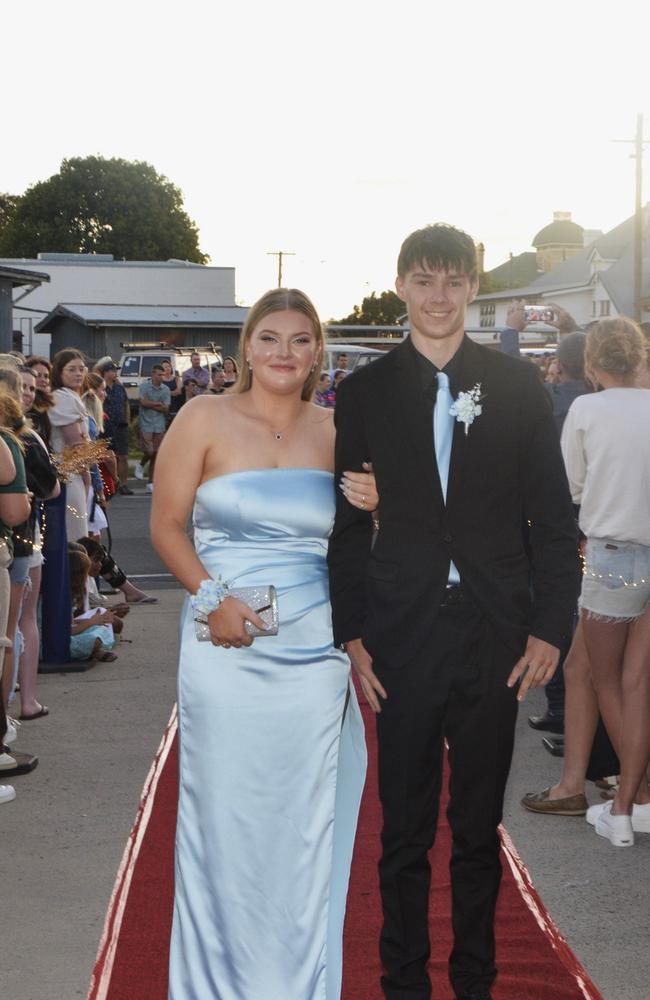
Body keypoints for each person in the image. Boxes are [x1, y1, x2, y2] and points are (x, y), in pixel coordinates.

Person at [327, 223, 581, 1000]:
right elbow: (347, 527)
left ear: (473, 289)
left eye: (454, 282)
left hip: (492, 634)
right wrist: (353, 633)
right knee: (402, 832)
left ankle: (475, 981)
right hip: (401, 635)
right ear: (402, 285)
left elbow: (553, 520)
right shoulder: (365, 392)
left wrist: (550, 628)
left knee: (476, 829)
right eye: (424, 280)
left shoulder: (515, 388)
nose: (439, 297)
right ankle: (403, 982)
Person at [150, 287, 378, 1000]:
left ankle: (296, 981)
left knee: (301, 824)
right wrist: (211, 599)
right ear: (247, 346)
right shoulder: (202, 416)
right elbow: (166, 525)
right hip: (224, 650)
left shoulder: (340, 432)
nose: (285, 353)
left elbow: (360, 548)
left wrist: (380, 507)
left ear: (319, 352)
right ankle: (217, 981)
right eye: (271, 338)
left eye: (301, 340)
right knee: (225, 815)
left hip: (314, 653)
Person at [559, 317, 650, 847]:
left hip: (611, 557)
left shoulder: (587, 409)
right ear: (637, 357)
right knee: (633, 681)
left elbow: (571, 484)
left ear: (592, 365)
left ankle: (627, 805)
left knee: (604, 678)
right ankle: (631, 802)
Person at [49, 348, 91, 541]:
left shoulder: (69, 395)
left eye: (81, 369)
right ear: (59, 372)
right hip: (70, 471)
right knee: (75, 533)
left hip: (68, 471)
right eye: (72, 369)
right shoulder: (62, 396)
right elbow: (75, 442)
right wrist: (86, 474)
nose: (78, 374)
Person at [97, 361, 133, 495]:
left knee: (123, 455)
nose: (115, 373)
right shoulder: (101, 388)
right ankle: (112, 482)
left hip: (120, 425)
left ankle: (124, 484)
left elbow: (126, 404)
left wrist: (127, 420)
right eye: (112, 370)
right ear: (105, 372)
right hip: (106, 425)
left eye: (115, 371)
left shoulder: (119, 388)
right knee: (110, 455)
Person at [137, 364, 170, 494]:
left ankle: (150, 482)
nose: (161, 377)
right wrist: (157, 404)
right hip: (146, 423)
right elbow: (142, 403)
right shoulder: (144, 386)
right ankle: (141, 464)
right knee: (149, 451)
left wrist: (150, 403)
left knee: (156, 453)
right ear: (153, 374)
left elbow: (166, 408)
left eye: (163, 375)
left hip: (159, 424)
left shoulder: (166, 389)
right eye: (159, 374)